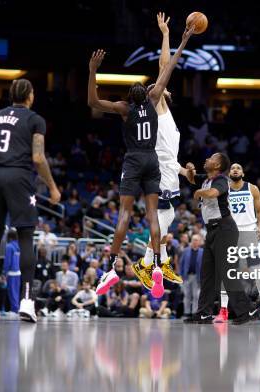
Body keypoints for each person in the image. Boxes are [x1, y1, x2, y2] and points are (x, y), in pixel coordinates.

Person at [88, 24, 194, 298]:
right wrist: (177, 40)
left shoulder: (128, 108)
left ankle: (117, 267)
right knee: (157, 216)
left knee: (132, 214)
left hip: (139, 161)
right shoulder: (155, 102)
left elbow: (94, 102)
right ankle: (155, 263)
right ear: (150, 94)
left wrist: (92, 71)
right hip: (154, 164)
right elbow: (166, 67)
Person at [0, 78, 61, 323]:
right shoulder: (35, 119)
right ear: (30, 96)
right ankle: (27, 301)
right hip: (19, 177)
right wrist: (52, 186)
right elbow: (38, 158)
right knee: (25, 237)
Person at [137, 12, 186, 290]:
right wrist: (167, 34)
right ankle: (148, 262)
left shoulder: (165, 116)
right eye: (154, 86)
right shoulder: (157, 107)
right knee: (164, 217)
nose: (158, 85)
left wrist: (183, 170)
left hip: (165, 169)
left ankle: (159, 259)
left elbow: (172, 155)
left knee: (166, 217)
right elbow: (164, 65)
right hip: (158, 171)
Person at [183, 153, 257, 325]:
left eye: (211, 158)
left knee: (227, 271)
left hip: (225, 229)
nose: (207, 159)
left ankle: (246, 310)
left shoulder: (221, 180)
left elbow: (213, 193)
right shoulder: (206, 178)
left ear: (217, 166)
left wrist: (198, 192)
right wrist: (189, 169)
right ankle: (203, 313)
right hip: (212, 230)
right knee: (207, 273)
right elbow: (190, 177)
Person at [216, 163, 260, 323]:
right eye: (232, 168)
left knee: (258, 271)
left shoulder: (252, 188)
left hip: (249, 232)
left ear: (242, 173)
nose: (235, 169)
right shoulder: (224, 189)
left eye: (238, 168)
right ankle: (223, 311)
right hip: (231, 233)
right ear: (229, 173)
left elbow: (259, 211)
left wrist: (259, 226)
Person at [179, 234, 203, 316]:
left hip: (197, 277)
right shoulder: (186, 250)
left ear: (199, 242)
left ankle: (194, 313)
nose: (194, 241)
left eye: (196, 240)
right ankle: (187, 312)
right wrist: (180, 276)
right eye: (193, 240)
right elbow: (181, 264)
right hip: (187, 276)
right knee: (187, 295)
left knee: (196, 296)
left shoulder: (202, 252)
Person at [3, 229, 21, 314]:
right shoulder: (19, 246)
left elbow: (8, 261)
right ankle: (15, 308)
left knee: (12, 292)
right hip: (18, 272)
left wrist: (4, 272)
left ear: (9, 237)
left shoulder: (9, 246)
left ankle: (14, 310)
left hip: (11, 272)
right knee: (16, 292)